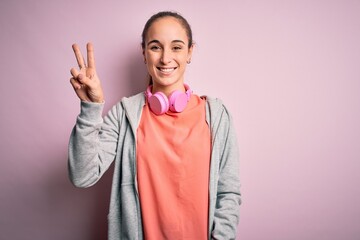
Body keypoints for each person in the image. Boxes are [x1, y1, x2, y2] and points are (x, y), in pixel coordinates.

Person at [68, 11, 241, 240]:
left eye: (177, 47)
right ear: (144, 53)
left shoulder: (216, 115)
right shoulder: (124, 113)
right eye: (156, 47)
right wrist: (91, 107)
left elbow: (228, 193)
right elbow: (82, 176)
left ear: (190, 52)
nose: (166, 58)